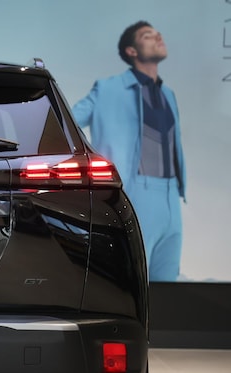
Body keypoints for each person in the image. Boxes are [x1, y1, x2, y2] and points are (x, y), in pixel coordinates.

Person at [72, 21, 186, 282]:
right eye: (147, 35)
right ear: (132, 51)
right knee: (133, 280)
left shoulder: (168, 93)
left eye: (157, 33)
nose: (157, 36)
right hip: (136, 193)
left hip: (171, 196)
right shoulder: (107, 89)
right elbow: (68, 123)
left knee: (167, 284)